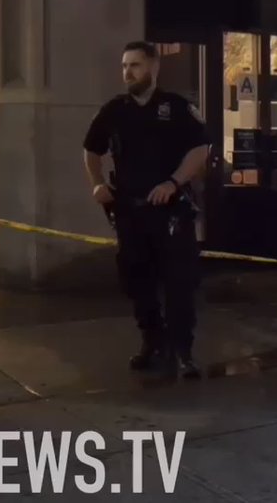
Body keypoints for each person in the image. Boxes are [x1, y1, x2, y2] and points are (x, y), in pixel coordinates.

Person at [83, 41, 211, 379]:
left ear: (153, 67)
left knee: (178, 284)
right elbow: (91, 150)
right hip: (130, 211)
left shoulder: (176, 107)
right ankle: (152, 343)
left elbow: (201, 147)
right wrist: (97, 183)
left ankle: (183, 350)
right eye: (125, 66)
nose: (128, 72)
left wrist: (173, 182)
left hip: (169, 212)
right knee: (137, 281)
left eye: (135, 65)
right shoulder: (115, 110)